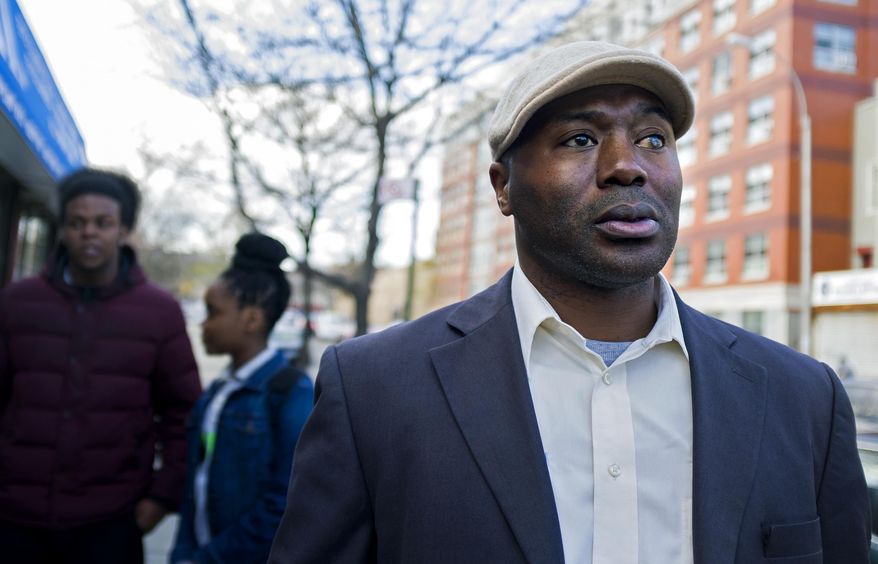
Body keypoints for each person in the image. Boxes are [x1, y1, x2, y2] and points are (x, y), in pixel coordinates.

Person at [268, 41, 870, 563]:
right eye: (580, 138)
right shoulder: (375, 389)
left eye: (653, 139)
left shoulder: (805, 400)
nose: (626, 167)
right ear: (504, 187)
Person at [0, 167, 202, 563]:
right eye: (77, 222)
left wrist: (163, 496)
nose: (88, 232)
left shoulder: (159, 312)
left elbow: (184, 413)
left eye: (102, 223)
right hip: (14, 519)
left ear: (123, 230)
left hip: (111, 522)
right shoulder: (15, 303)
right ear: (62, 229)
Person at [171, 232, 313, 564]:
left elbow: (284, 503)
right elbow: (196, 488)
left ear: (251, 318)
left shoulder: (291, 392)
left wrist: (209, 559)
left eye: (213, 312)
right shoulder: (220, 390)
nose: (203, 324)